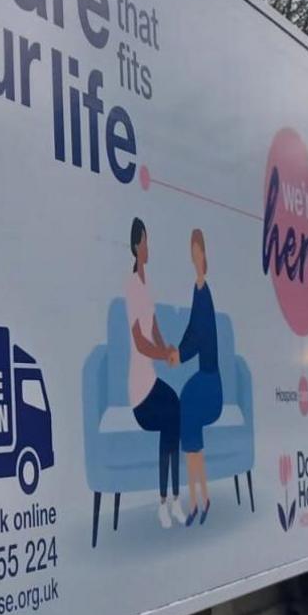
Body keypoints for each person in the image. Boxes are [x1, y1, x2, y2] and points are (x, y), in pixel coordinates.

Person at [124, 218, 186, 529]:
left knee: (175, 409)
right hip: (140, 389)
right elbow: (138, 340)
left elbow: (155, 328)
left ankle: (174, 498)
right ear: (136, 246)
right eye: (145, 242)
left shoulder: (146, 286)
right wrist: (161, 353)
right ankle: (164, 502)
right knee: (169, 416)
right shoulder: (133, 286)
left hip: (151, 379)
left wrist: (168, 349)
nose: (148, 247)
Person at [177, 229, 223, 526]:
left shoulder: (204, 292)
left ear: (204, 256)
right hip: (203, 379)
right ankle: (199, 497)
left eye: (198, 253)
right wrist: (177, 353)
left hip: (210, 382)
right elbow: (192, 331)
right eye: (193, 253)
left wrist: (179, 355)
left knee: (187, 410)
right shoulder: (198, 289)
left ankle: (200, 497)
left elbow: (200, 336)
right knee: (187, 420)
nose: (196, 258)